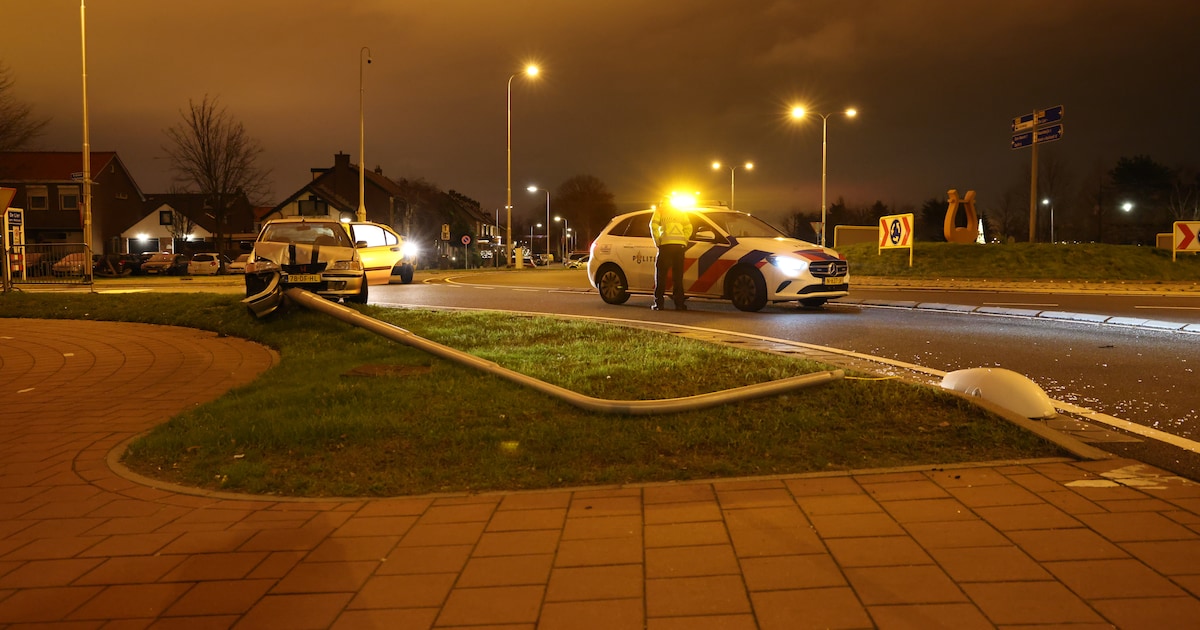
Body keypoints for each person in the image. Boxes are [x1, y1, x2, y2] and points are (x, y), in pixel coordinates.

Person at [649, 198, 693, 310]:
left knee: (661, 275)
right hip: (679, 246)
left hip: (666, 246)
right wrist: (684, 240)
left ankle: (659, 303)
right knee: (678, 277)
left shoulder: (660, 211)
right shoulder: (680, 211)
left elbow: (653, 226)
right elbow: (689, 227)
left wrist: (658, 242)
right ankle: (679, 304)